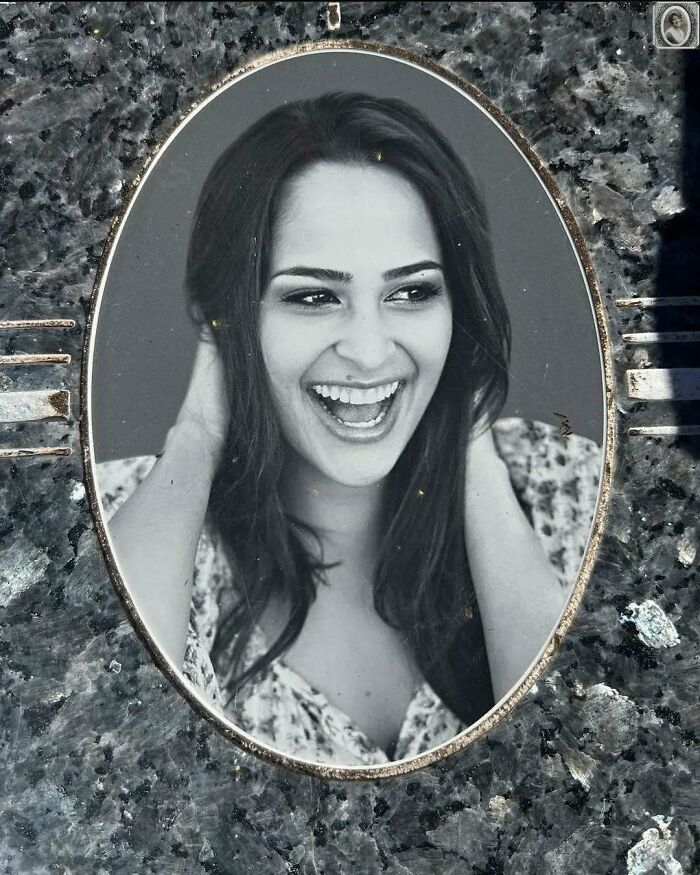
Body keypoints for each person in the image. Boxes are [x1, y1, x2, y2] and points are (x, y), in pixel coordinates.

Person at [97, 93, 601, 766]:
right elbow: (104, 730)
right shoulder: (127, 516)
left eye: (413, 292)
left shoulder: (563, 483)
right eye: (314, 296)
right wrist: (195, 434)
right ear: (227, 317)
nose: (368, 351)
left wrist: (468, 443)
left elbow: (580, 759)